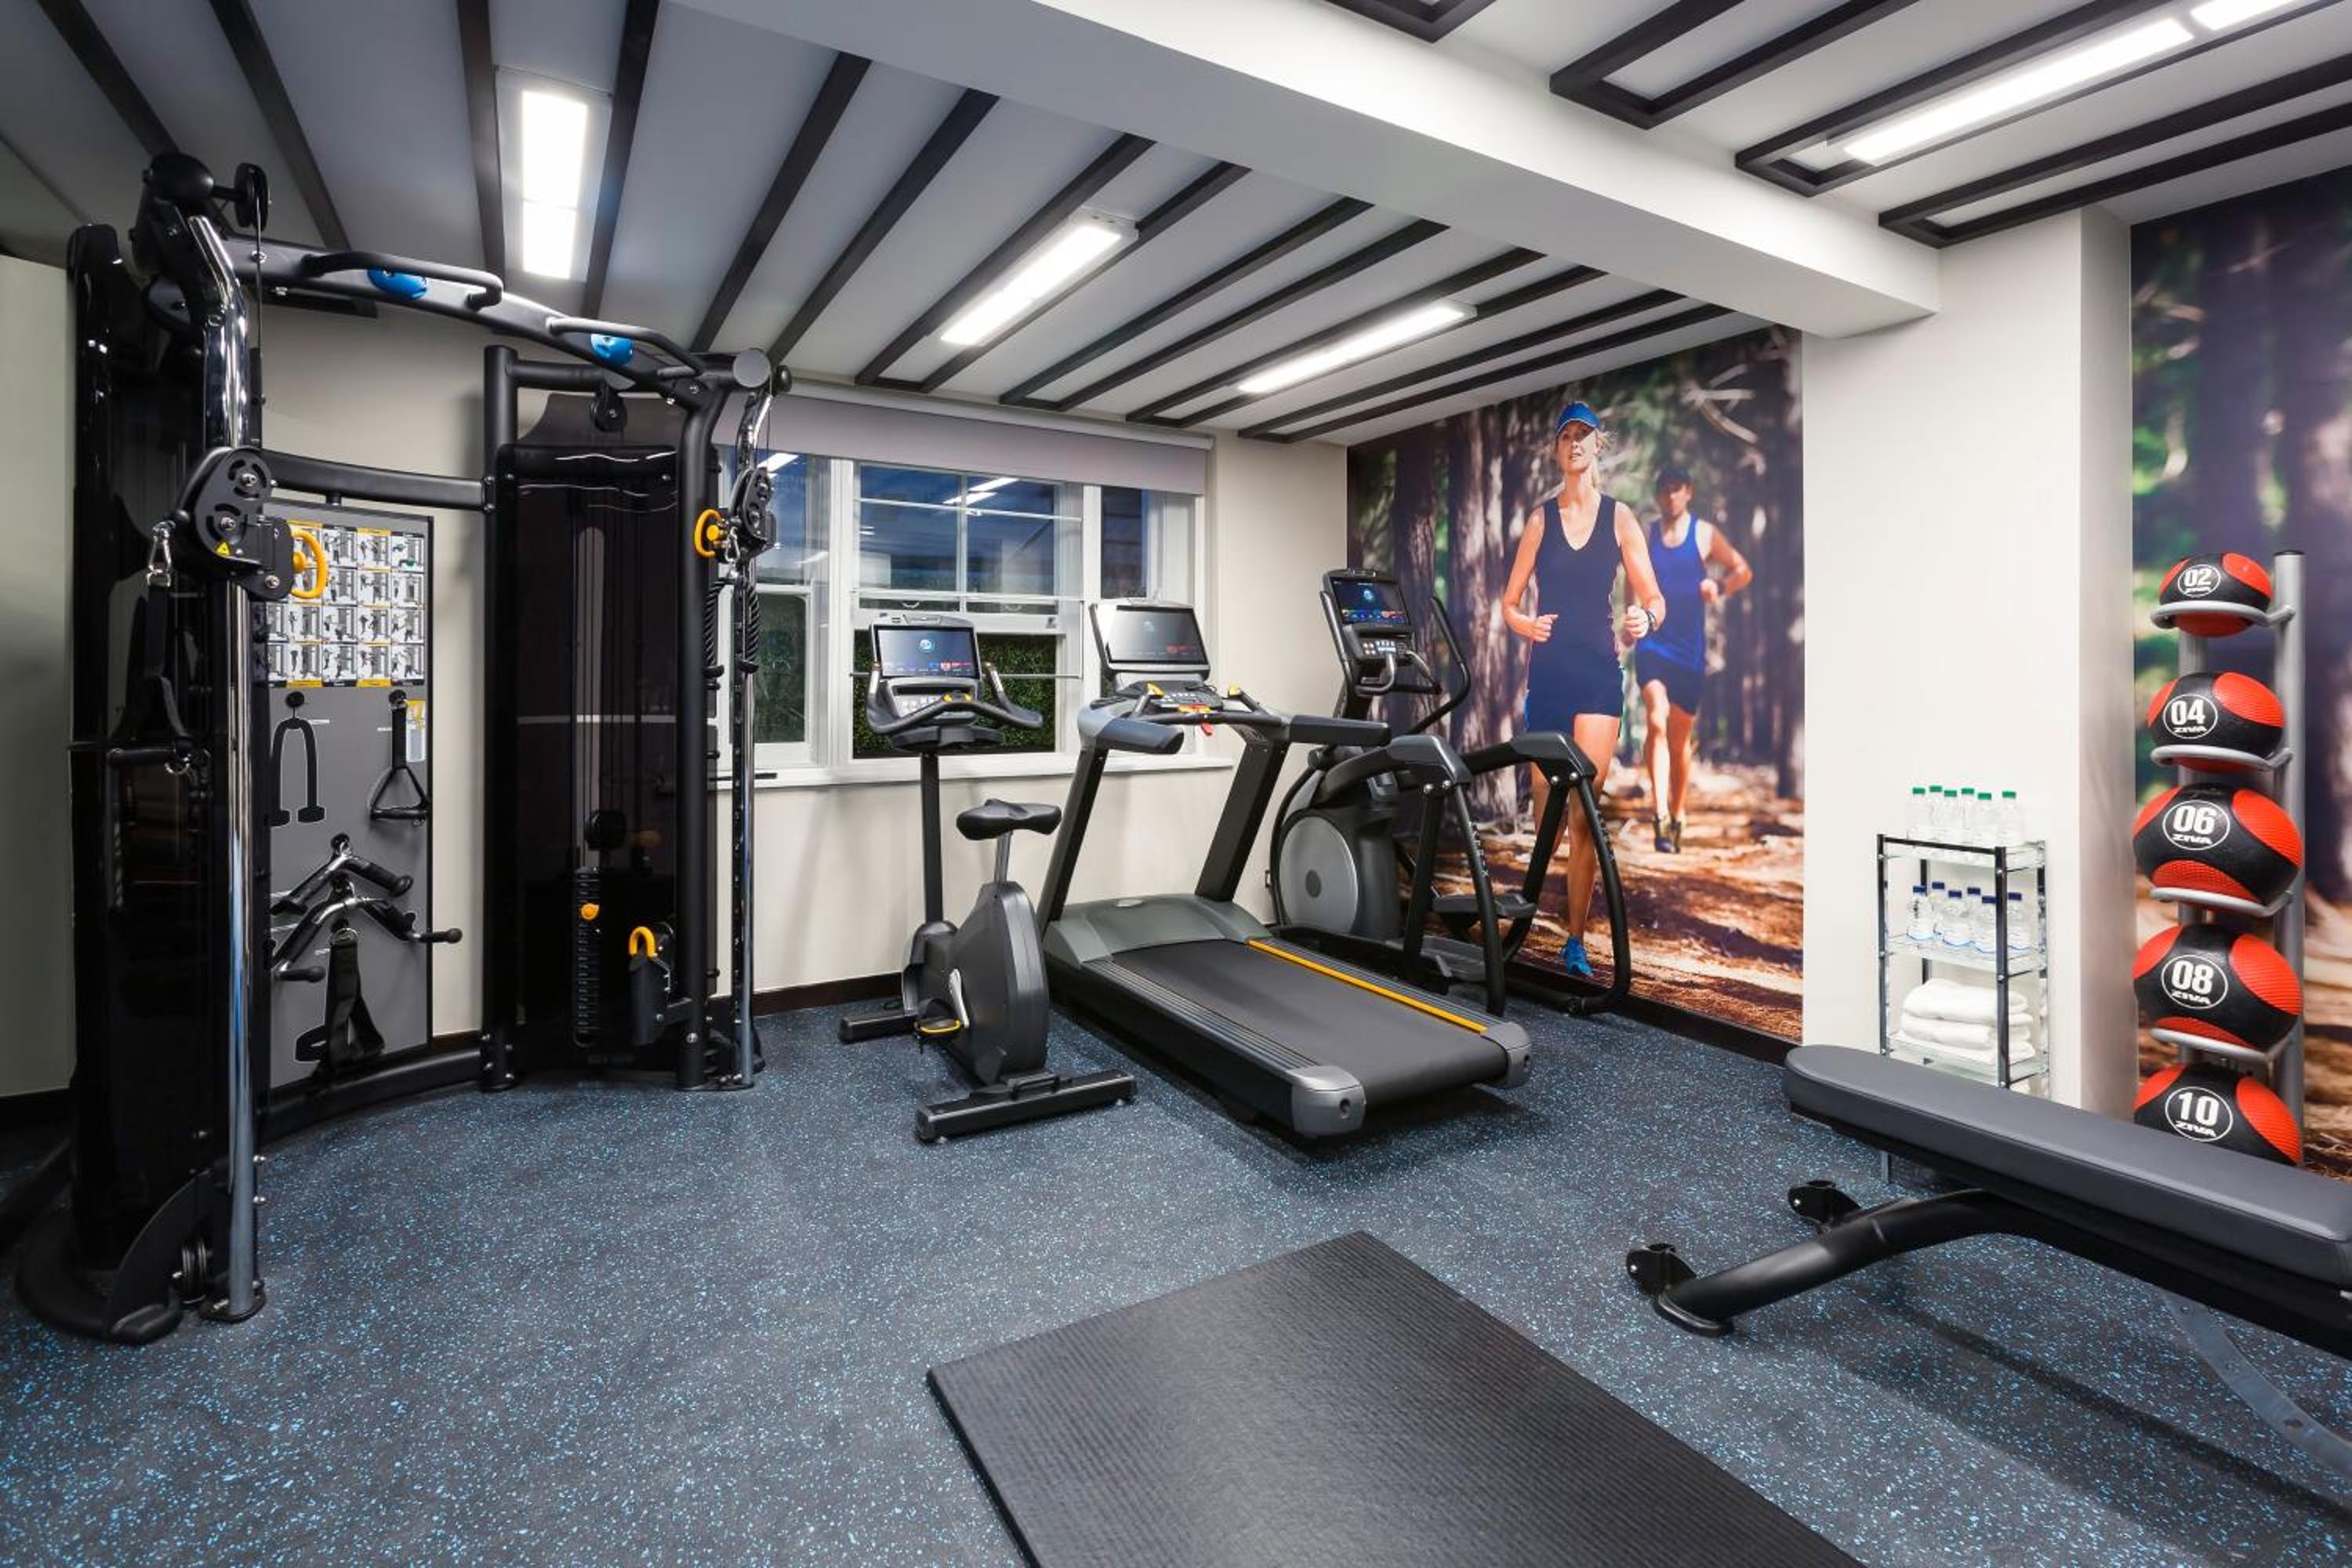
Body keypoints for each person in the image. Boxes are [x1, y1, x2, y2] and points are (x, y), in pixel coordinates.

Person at [1500, 401, 1665, 979]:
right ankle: (1522, 930)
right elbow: (1509, 602)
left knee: (1584, 815)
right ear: (1556, 449)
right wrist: (1526, 625)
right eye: (1566, 435)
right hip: (1548, 678)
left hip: (1597, 676)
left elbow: (1654, 597)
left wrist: (1646, 617)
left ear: (1598, 445)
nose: (1574, 443)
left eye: (1584, 435)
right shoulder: (1540, 521)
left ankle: (1575, 941)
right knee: (1546, 818)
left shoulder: (1620, 519)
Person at [1635, 463, 1753, 854]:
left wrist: (1719, 585)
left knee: (1679, 738)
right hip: (1653, 642)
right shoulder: (1648, 534)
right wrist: (1632, 619)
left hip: (1689, 650)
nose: (1671, 496)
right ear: (1658, 496)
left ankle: (1678, 811)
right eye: (1664, 490)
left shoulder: (1704, 534)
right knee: (1656, 719)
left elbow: (1743, 571)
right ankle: (1659, 816)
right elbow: (1634, 579)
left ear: (1688, 492)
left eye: (1677, 489)